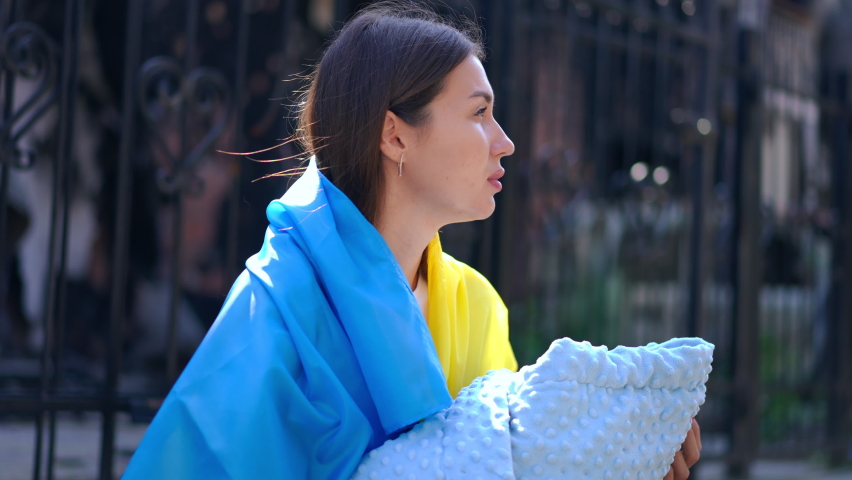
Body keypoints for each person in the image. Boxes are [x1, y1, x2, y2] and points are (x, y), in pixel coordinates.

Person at [122, 2, 700, 479]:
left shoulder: (476, 304)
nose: (505, 142)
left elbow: (508, 465)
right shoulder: (275, 304)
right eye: (479, 113)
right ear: (395, 135)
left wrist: (624, 458)